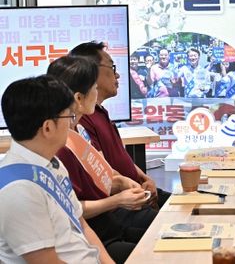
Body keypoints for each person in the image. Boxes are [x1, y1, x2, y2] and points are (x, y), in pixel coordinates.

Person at [47, 56, 155, 263]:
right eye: (94, 88)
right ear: (79, 98)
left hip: (108, 225)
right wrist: (118, 200)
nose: (97, 94)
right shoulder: (60, 146)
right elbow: (72, 209)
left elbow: (104, 173)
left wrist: (122, 182)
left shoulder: (80, 131)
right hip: (96, 235)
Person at [0, 76, 113, 263]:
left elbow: (82, 225)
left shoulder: (52, 164)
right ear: (48, 127)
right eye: (69, 116)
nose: (71, 124)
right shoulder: (19, 190)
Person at [70, 41, 171, 207]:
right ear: (91, 71)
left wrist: (145, 178)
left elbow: (122, 157)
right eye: (112, 68)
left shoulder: (100, 112)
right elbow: (102, 171)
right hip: (125, 202)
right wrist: (132, 190)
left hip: (136, 192)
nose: (117, 75)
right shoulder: (83, 119)